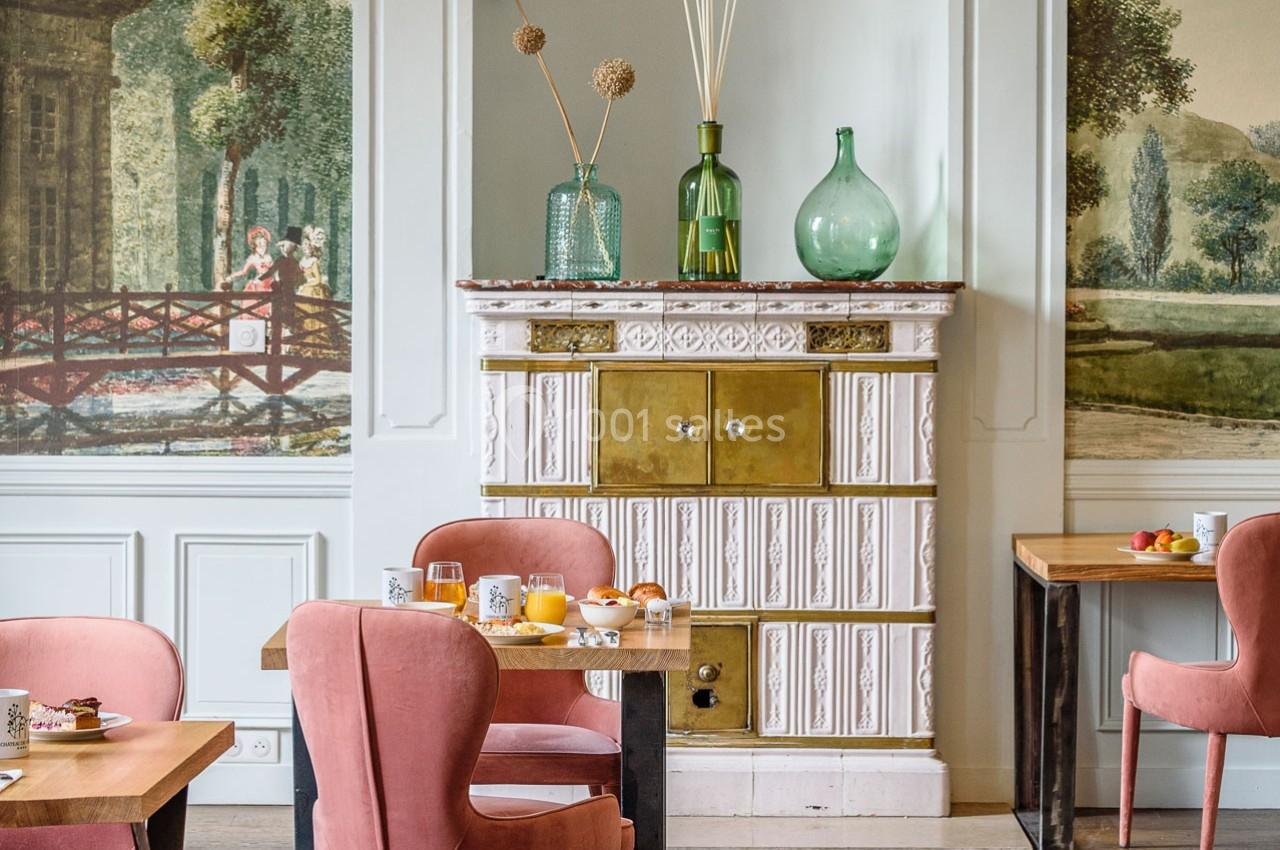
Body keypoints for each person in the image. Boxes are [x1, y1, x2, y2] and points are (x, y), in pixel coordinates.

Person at [293, 225, 341, 357]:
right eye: (304, 246)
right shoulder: (303, 261)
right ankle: (305, 344)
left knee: (316, 318)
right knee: (303, 317)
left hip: (314, 290)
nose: (306, 249)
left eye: (308, 247)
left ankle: (318, 345)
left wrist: (307, 285)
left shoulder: (314, 262)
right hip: (305, 289)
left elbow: (318, 279)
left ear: (312, 248)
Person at [226, 226, 274, 290]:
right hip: (260, 283)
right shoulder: (253, 258)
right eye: (258, 239)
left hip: (269, 282)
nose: (262, 241)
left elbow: (274, 270)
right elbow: (244, 271)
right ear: (254, 243)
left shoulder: (268, 257)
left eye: (263, 238)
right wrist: (232, 276)